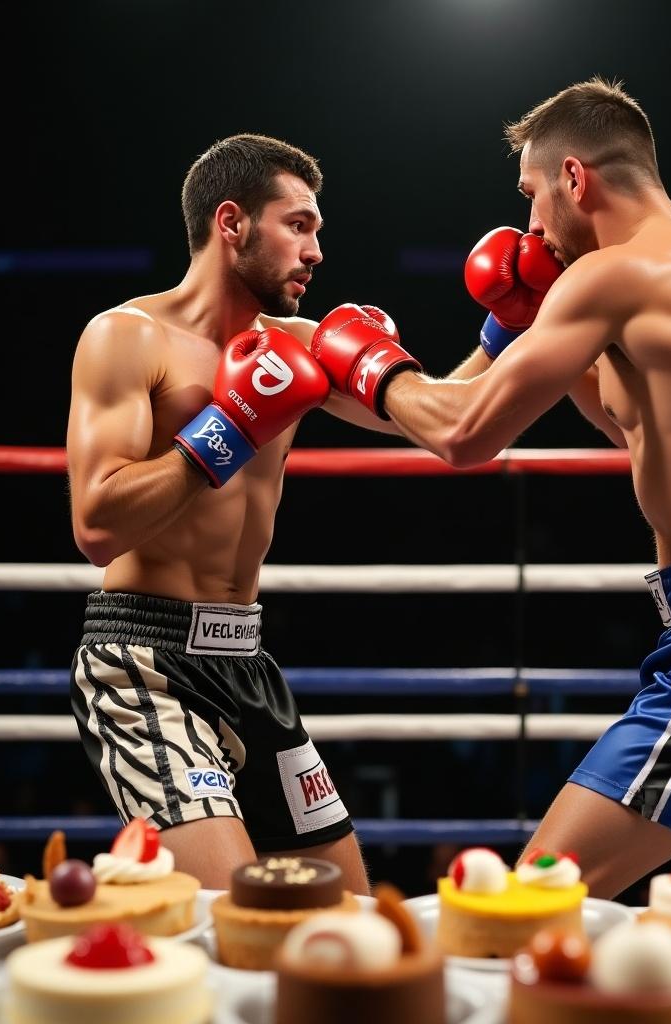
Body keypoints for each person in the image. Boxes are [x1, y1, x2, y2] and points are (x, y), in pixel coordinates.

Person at [309, 78, 671, 907]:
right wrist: (507, 331)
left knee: (523, 910)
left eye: (533, 196)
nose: (531, 227)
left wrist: (366, 358)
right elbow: (636, 426)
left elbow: (461, 432)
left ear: (575, 179)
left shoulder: (610, 280)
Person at [66, 133, 396, 891]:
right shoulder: (126, 337)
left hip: (246, 660)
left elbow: (449, 425)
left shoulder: (305, 346)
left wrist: (509, 322)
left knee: (347, 916)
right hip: (143, 661)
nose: (317, 250)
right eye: (300, 224)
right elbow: (95, 525)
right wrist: (227, 431)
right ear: (231, 223)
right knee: (236, 914)